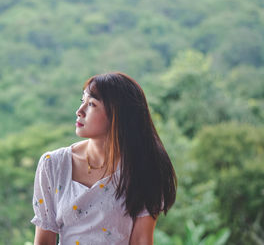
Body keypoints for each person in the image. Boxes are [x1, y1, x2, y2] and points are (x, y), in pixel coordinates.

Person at [31, 72, 177, 245]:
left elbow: (141, 240)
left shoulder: (144, 168)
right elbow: (44, 240)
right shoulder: (53, 164)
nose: (79, 111)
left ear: (118, 114)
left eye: (91, 104)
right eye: (82, 101)